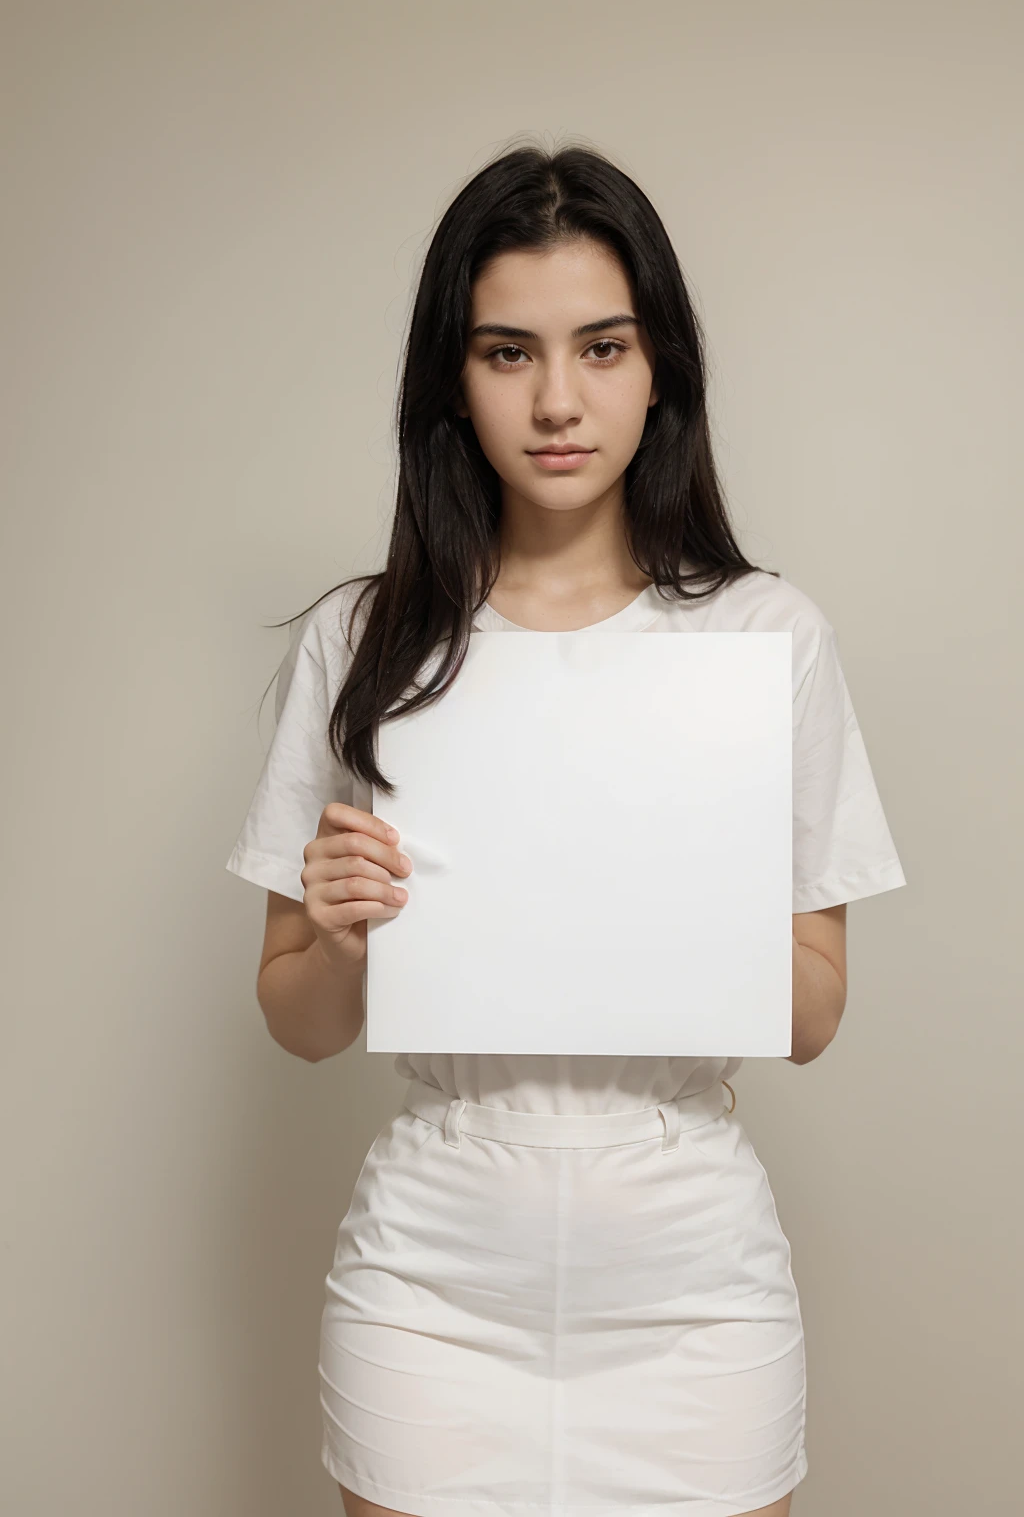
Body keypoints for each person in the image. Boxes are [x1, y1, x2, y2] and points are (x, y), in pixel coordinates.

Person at [225, 142, 907, 1517]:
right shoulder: (370, 643)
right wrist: (347, 933)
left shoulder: (762, 635)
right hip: (431, 1274)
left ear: (660, 369)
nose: (556, 401)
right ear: (451, 380)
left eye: (600, 347)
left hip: (691, 1281)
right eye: (505, 353)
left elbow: (817, 1011)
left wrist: (684, 878)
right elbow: (298, 1018)